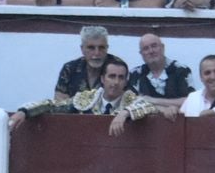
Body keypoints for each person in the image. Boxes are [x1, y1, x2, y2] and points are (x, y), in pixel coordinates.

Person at [10, 55, 158, 135]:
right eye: (112, 76)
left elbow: (149, 106)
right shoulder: (86, 98)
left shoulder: (131, 99)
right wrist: (25, 111)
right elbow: (53, 105)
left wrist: (124, 113)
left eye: (121, 78)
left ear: (126, 81)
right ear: (102, 79)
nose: (116, 82)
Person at [128, 33, 195, 111]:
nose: (151, 51)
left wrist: (152, 100)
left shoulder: (181, 70)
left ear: (163, 48)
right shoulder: (135, 74)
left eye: (154, 46)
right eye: (146, 48)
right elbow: (131, 103)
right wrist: (162, 110)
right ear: (141, 54)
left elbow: (191, 102)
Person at [53, 25, 110, 102]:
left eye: (101, 48)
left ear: (107, 48)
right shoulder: (70, 68)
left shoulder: (118, 68)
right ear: (82, 49)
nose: (97, 53)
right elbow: (59, 99)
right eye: (91, 48)